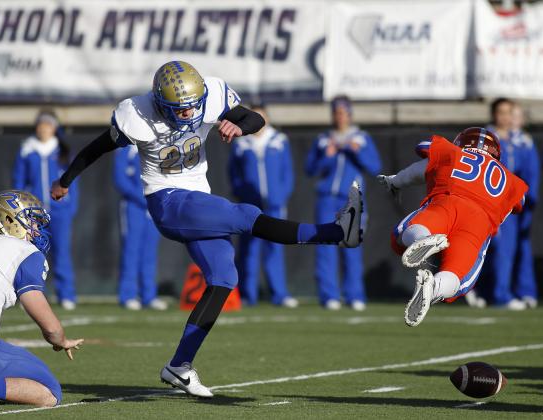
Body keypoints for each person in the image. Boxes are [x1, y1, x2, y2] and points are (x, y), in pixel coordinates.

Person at [50, 60, 363, 398]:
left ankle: (179, 366)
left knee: (224, 278)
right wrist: (65, 181)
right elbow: (96, 147)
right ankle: (335, 233)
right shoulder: (136, 116)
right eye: (179, 109)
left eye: (192, 106)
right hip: (167, 200)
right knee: (244, 215)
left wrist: (238, 127)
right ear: (160, 104)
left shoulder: (211, 93)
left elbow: (255, 118)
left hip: (198, 196)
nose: (188, 115)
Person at [378, 127, 527, 327]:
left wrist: (395, 181)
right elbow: (520, 202)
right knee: (458, 277)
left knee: (401, 235)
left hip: (448, 201)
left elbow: (421, 165)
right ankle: (434, 288)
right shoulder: (510, 180)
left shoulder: (452, 152)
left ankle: (422, 239)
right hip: (479, 222)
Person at [0, 190, 83, 406]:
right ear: (8, 219)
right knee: (49, 392)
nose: (36, 230)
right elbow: (47, 324)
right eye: (32, 221)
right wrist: (60, 340)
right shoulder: (22, 250)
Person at [305, 96, 381, 311]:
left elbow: (375, 167)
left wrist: (356, 151)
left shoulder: (361, 138)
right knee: (325, 247)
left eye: (343, 112)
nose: (340, 117)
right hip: (326, 198)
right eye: (336, 113)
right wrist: (327, 156)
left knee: (351, 245)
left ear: (349, 114)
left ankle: (354, 295)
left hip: (351, 199)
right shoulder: (323, 139)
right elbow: (310, 169)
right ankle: (329, 296)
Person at [228, 104, 297, 308]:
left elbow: (288, 173)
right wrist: (242, 193)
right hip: (250, 205)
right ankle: (248, 295)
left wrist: (281, 196)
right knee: (248, 250)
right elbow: (233, 174)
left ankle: (279, 294)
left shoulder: (279, 140)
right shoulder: (241, 143)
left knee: (275, 248)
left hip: (274, 205)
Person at [12, 110, 78, 310]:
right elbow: (19, 183)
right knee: (33, 255)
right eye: (41, 124)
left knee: (62, 253)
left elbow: (73, 184)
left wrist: (70, 207)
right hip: (33, 215)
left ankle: (66, 294)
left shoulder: (63, 152)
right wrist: (23, 211)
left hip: (59, 212)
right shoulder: (27, 150)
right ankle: (30, 296)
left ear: (55, 128)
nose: (44, 128)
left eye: (48, 124)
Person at [482, 99, 527, 310]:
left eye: (509, 112)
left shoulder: (517, 141)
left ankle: (493, 292)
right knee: (497, 250)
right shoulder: (486, 138)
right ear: (493, 114)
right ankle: (499, 295)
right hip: (491, 202)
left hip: (510, 203)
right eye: (501, 112)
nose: (505, 117)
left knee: (506, 250)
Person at [113, 145, 167, 310]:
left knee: (149, 252)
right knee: (131, 250)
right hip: (133, 207)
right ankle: (128, 295)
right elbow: (120, 180)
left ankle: (148, 295)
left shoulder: (156, 145)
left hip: (153, 207)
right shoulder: (124, 149)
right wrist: (144, 198)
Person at [510, 103, 540, 308]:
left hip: (518, 204)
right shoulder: (493, 139)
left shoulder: (525, 142)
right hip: (497, 202)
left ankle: (525, 291)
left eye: (515, 116)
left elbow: (532, 174)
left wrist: (529, 199)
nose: (511, 119)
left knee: (522, 247)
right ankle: (491, 291)